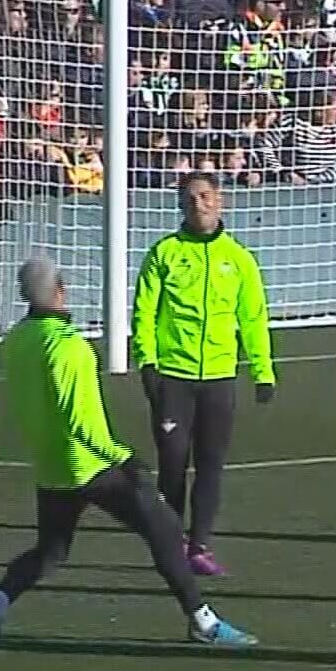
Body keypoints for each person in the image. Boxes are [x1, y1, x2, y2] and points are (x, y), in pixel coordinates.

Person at [0, 259, 257, 647]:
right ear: (61, 290)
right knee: (165, 528)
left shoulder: (16, 341)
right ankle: (202, 622)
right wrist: (125, 459)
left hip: (50, 465)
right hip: (89, 464)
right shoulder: (69, 347)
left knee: (52, 550)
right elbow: (82, 423)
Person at [131, 171, 275, 577]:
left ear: (220, 200)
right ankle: (171, 541)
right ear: (181, 205)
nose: (199, 204)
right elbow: (144, 312)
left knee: (211, 465)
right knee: (173, 462)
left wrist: (263, 372)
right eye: (191, 198)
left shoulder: (239, 259)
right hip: (173, 377)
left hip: (219, 378)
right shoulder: (164, 254)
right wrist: (148, 363)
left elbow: (253, 319)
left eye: (205, 196)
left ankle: (200, 546)